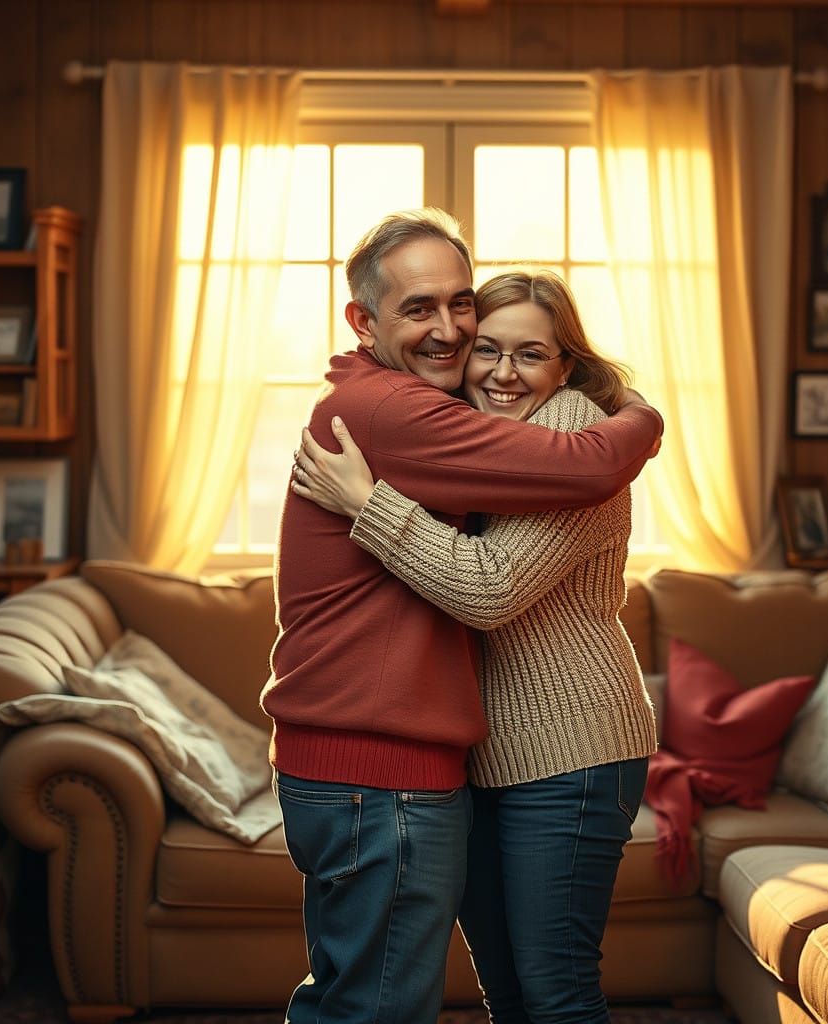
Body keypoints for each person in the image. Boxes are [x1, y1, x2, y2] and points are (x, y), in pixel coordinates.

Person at [261, 209, 664, 1024]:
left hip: (560, 745)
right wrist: (644, 421)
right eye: (421, 310)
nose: (455, 335)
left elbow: (493, 582)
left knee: (528, 993)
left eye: (460, 307)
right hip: (385, 764)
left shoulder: (549, 426)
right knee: (389, 1004)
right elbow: (518, 541)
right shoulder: (403, 415)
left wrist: (636, 414)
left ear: (567, 363)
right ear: (363, 322)